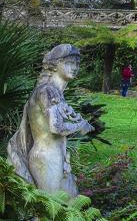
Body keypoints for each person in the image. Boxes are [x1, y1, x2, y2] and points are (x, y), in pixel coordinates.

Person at [7, 44, 94, 196]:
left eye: (77, 63)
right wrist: (81, 125)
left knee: (70, 201)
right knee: (52, 209)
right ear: (55, 64)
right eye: (69, 62)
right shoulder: (47, 91)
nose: (74, 67)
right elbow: (56, 128)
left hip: (56, 156)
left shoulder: (54, 92)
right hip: (47, 158)